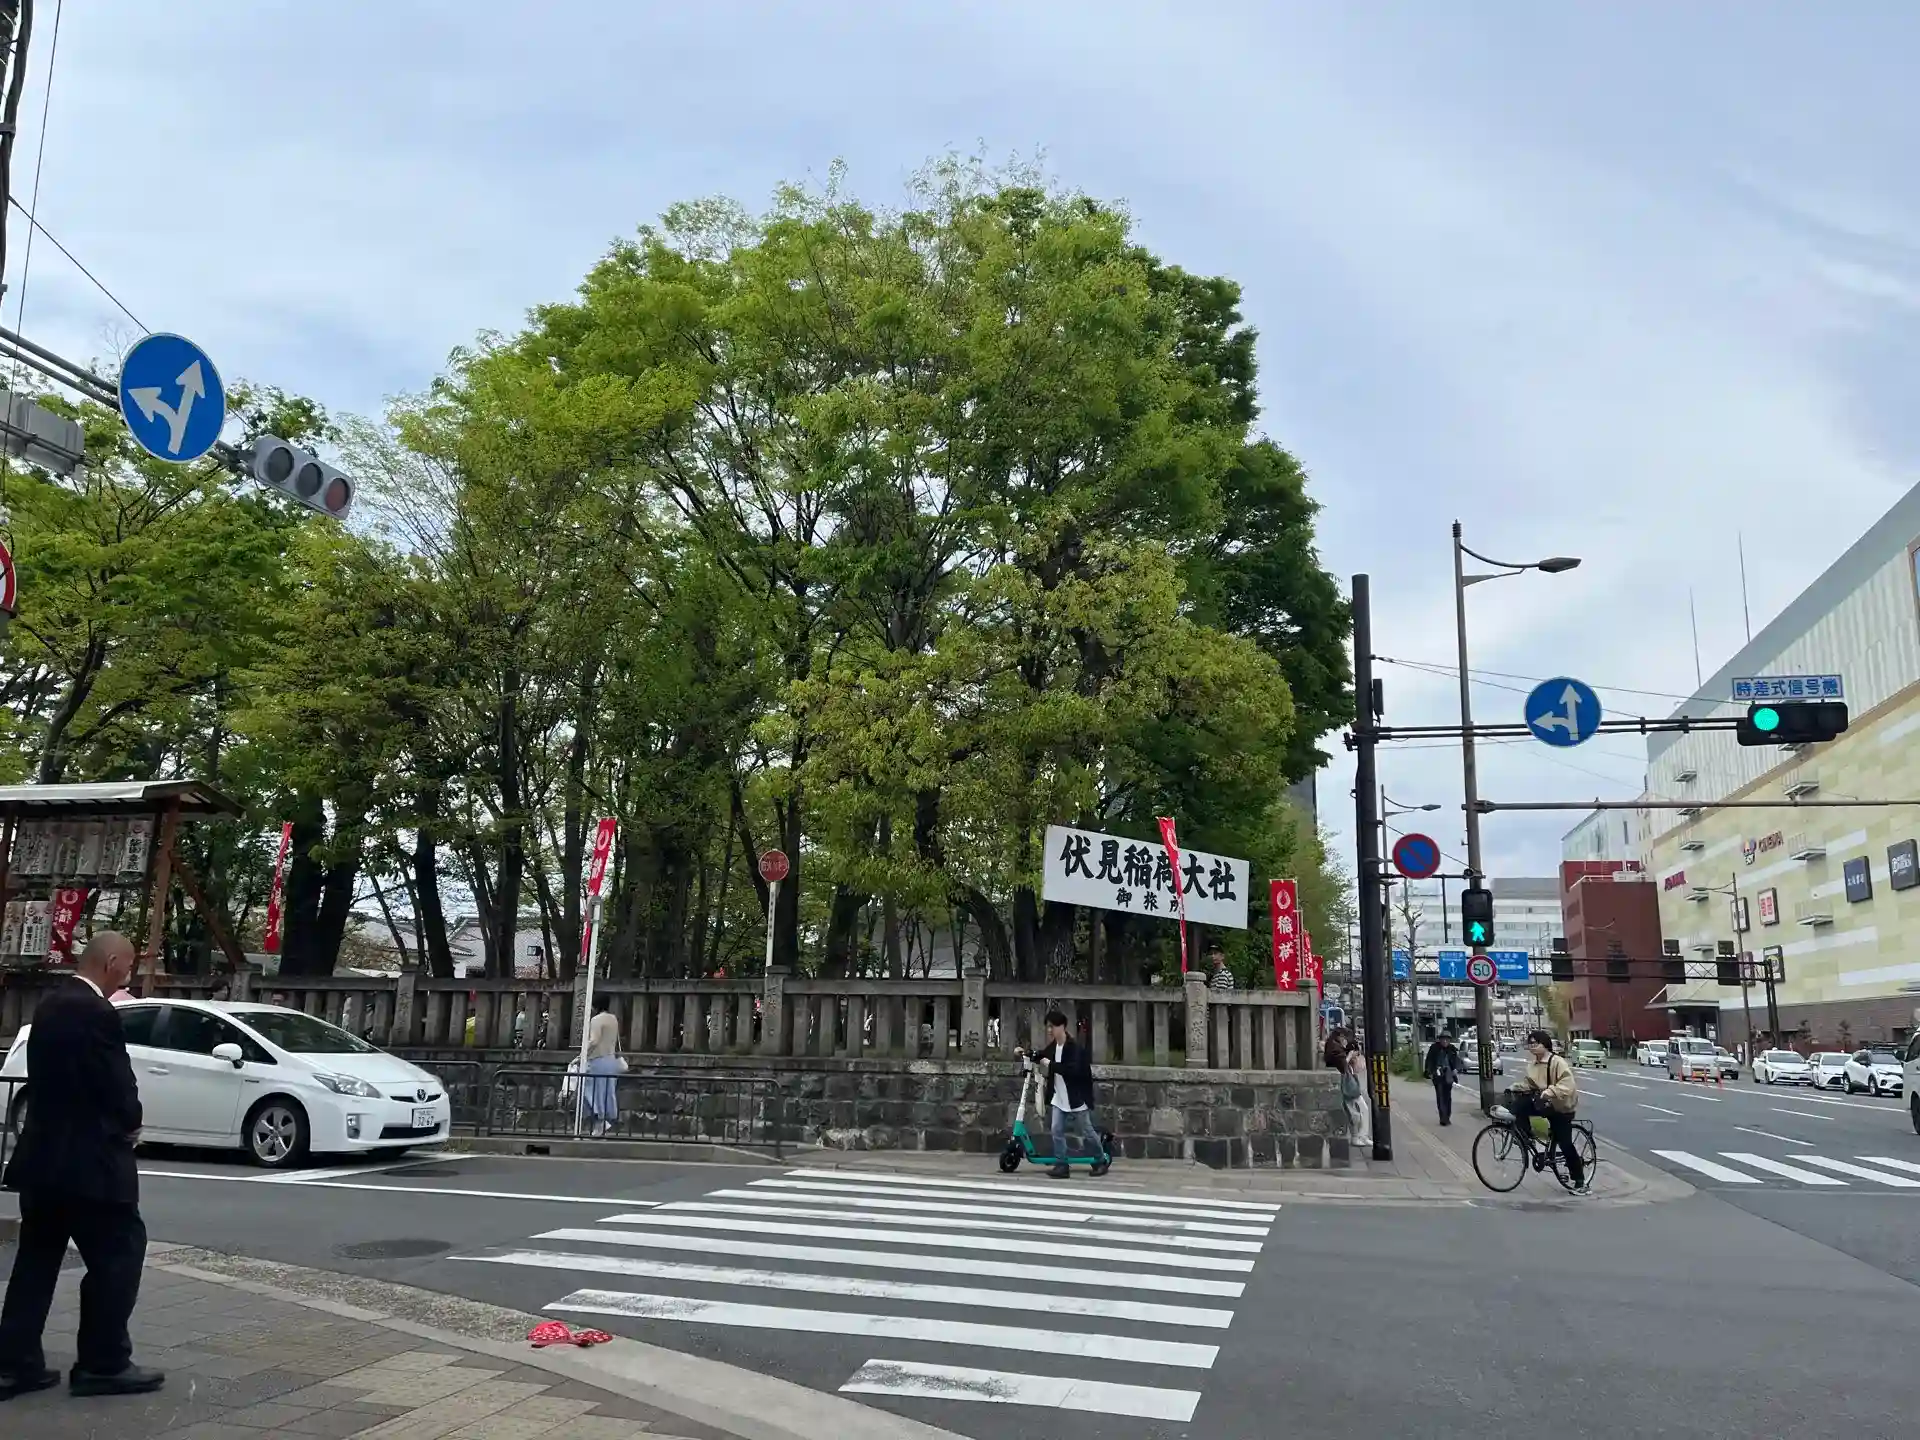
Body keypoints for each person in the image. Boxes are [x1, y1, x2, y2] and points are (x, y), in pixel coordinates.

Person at [0, 931, 164, 1400]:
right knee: (119, 1255)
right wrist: (132, 1121)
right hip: (92, 1162)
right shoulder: (97, 1012)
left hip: (43, 1157)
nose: (127, 976)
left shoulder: (51, 1004)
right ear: (111, 962)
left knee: (36, 1262)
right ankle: (103, 1362)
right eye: (127, 967)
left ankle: (14, 1363)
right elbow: (115, 1082)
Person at [1016, 1009, 1108, 1180]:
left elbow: (1071, 1071)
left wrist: (1049, 1064)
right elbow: (1042, 1055)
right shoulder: (1054, 1046)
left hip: (1076, 1097)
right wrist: (1028, 1054)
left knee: (1087, 1131)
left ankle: (1100, 1160)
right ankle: (1061, 1164)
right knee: (1056, 1130)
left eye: (1053, 1026)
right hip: (1059, 1097)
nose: (1050, 1030)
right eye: (1048, 1027)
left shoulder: (1074, 1049)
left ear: (1063, 1027)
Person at [1507, 1028, 1588, 1195]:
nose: (1532, 1046)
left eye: (1535, 1043)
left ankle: (1580, 1182)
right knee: (1519, 1105)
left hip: (1561, 1107)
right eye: (1530, 1044)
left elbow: (1568, 1085)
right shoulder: (1533, 1065)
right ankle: (1524, 1136)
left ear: (1545, 1044)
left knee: (1565, 1143)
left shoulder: (1557, 1062)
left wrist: (1550, 1091)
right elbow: (1529, 1085)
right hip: (1545, 1104)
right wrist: (1516, 1087)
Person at [582, 998, 622, 1137]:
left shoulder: (596, 1020)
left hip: (598, 1059)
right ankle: (603, 1124)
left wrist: (582, 1053)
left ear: (595, 1006)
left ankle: (600, 1124)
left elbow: (594, 1040)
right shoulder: (613, 1019)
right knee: (606, 1093)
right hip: (611, 1059)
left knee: (592, 1092)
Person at [1340, 1031, 1371, 1148]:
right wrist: (1349, 1057)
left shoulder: (1350, 1063)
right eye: (1357, 1054)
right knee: (1354, 1115)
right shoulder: (1344, 1059)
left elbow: (1359, 1069)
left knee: (1364, 1110)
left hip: (1353, 1090)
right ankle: (1356, 1137)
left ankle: (1363, 1136)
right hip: (1348, 1091)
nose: (1358, 1056)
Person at [1424, 1030, 1462, 1126]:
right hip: (1438, 1075)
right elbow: (1429, 1061)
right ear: (1440, 1040)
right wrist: (1429, 1071)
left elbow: (1457, 1061)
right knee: (1440, 1096)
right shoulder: (1434, 1048)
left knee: (1447, 1097)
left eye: (1447, 1039)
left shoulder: (1452, 1049)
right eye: (1443, 1039)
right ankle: (1443, 1118)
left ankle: (1447, 1116)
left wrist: (1456, 1069)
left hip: (1448, 1075)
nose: (1445, 1041)